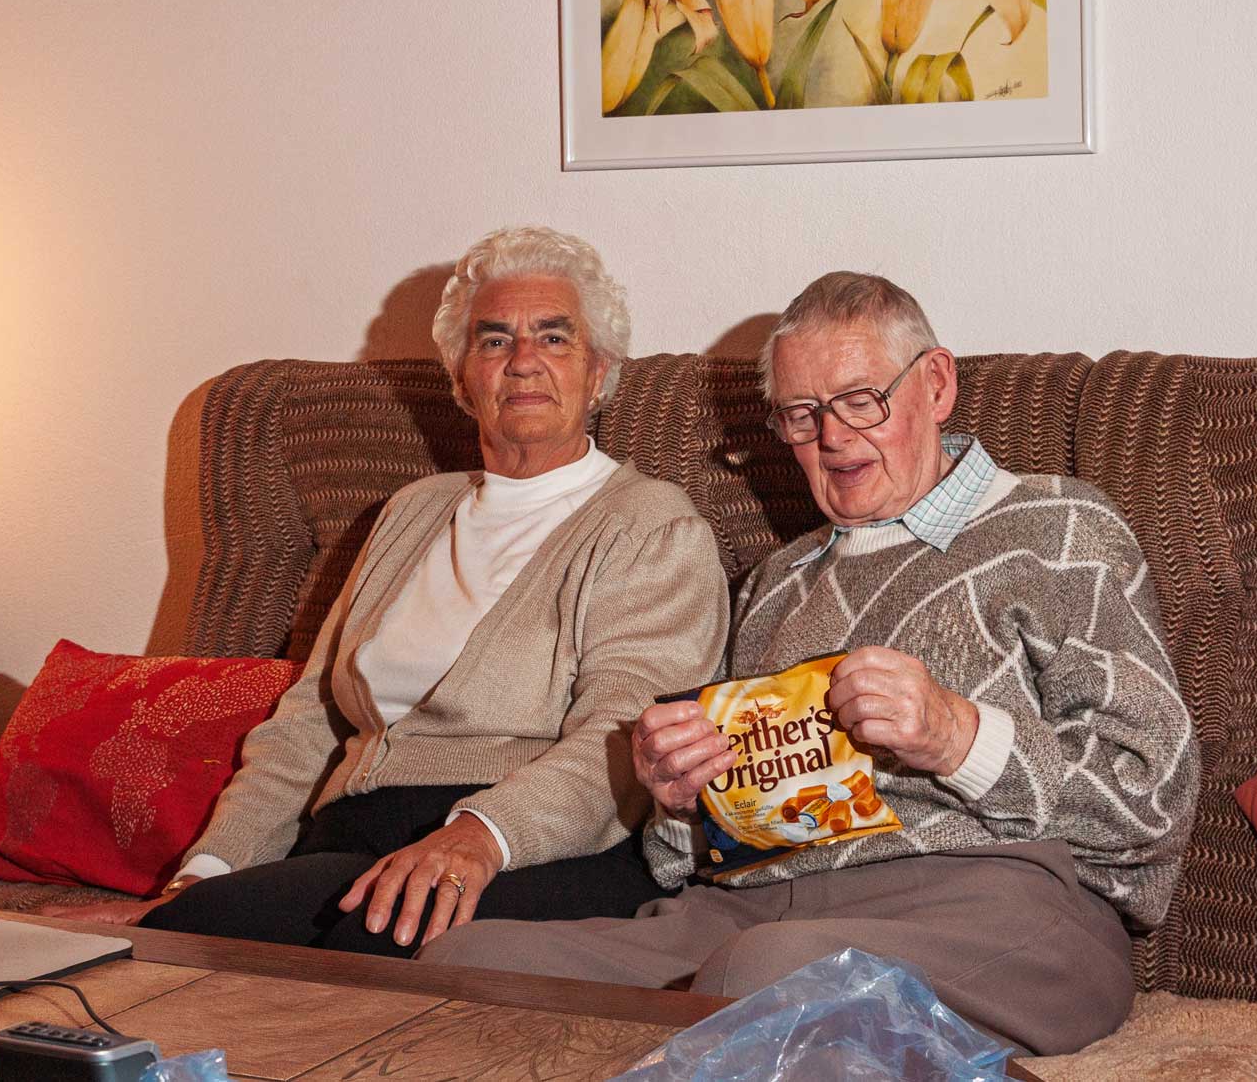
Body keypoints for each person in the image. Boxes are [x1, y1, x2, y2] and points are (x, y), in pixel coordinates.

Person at [421, 272, 1200, 1056]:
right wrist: (682, 802)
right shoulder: (773, 586)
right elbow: (694, 857)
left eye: (862, 399)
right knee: (466, 966)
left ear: (935, 384)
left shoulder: (1060, 526)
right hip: (752, 911)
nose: (832, 436)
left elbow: (1150, 801)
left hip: (999, 904)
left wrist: (958, 736)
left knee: (770, 977)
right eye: (801, 414)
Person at [44, 227, 729, 957]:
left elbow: (625, 737)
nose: (523, 360)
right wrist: (203, 877)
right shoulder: (411, 512)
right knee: (217, 923)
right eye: (494, 340)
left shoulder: (651, 525)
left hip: (542, 850)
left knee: (321, 931)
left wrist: (480, 835)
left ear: (599, 372)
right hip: (346, 837)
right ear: (463, 379)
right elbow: (308, 723)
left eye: (554, 338)